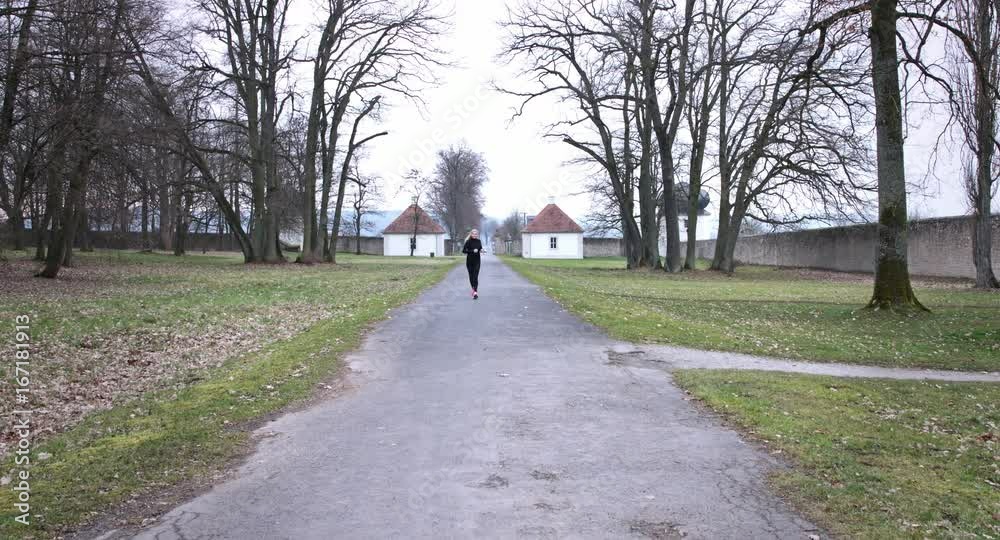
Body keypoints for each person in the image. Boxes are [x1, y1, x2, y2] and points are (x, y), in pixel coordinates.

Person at [461, 229, 483, 299]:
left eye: (476, 234)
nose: (475, 235)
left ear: (477, 235)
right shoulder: (468, 242)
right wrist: (472, 251)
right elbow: (464, 251)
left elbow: (480, 249)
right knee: (471, 277)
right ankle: (473, 289)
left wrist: (481, 250)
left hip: (477, 261)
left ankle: (475, 292)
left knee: (475, 276)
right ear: (471, 234)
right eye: (473, 234)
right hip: (470, 261)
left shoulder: (479, 241)